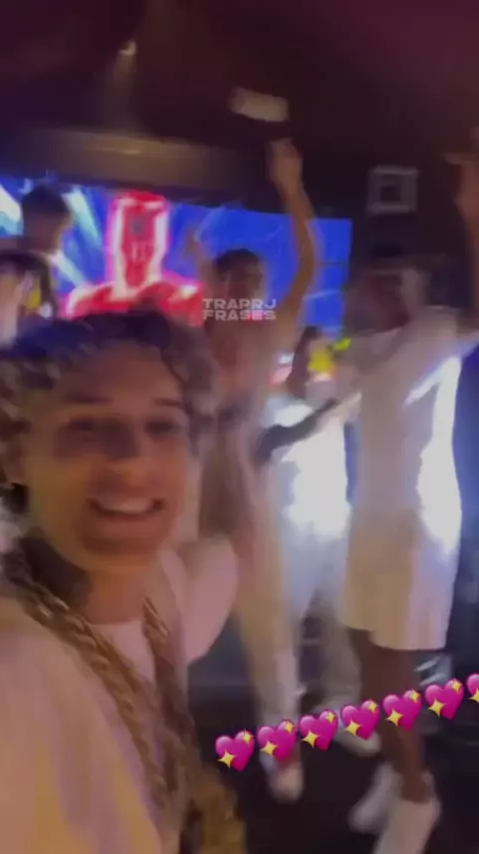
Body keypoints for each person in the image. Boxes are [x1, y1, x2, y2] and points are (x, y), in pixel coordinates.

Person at [0, 309, 245, 854]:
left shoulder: (160, 591)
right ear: (13, 453)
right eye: (85, 424)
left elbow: (228, 548)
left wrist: (231, 423)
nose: (133, 459)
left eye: (163, 425)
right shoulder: (12, 674)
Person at [335, 151, 479, 854]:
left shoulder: (438, 334)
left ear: (410, 288)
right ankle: (398, 772)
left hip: (416, 525)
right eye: (366, 276)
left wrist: (471, 209)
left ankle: (419, 796)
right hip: (369, 519)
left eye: (386, 278)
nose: (367, 288)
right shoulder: (359, 350)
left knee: (391, 667)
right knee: (366, 655)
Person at [193, 140, 318, 800]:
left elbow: (310, 267)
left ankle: (281, 745)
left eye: (254, 281)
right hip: (187, 491)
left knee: (267, 629)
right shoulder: (192, 338)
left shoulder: (266, 329)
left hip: (244, 491)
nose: (246, 289)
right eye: (235, 280)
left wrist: (290, 187)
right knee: (160, 615)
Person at [260, 326, 380, 758]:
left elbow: (370, 379)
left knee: (345, 625)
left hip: (335, 528)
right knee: (280, 636)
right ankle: (277, 731)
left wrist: (345, 370)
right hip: (285, 534)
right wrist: (328, 412)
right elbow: (270, 442)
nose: (315, 366)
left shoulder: (335, 396)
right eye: (307, 357)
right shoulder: (268, 403)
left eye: (322, 357)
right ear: (292, 359)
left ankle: (342, 711)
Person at [0, 185, 72, 327]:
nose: (59, 243)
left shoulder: (41, 266)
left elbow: (54, 309)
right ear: (34, 222)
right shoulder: (6, 258)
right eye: (56, 231)